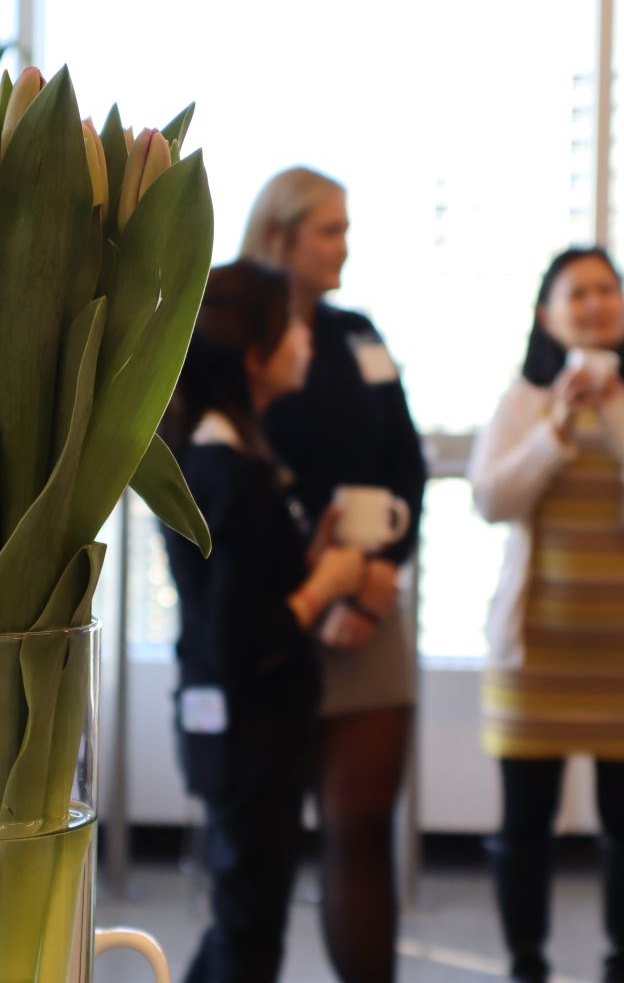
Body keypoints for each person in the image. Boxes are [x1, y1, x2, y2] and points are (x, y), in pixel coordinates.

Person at [468, 246, 624, 983]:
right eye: (578, 293)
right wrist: (557, 426)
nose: (595, 305)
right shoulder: (522, 401)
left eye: (607, 290)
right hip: (533, 654)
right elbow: (491, 499)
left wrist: (617, 407)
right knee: (523, 825)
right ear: (547, 314)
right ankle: (526, 964)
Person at [242, 167, 428, 983]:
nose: (344, 246)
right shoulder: (234, 338)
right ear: (281, 236)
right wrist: (317, 588)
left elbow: (408, 465)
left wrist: (377, 577)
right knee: (262, 842)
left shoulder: (360, 336)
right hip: (277, 609)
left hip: (371, 607)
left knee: (360, 832)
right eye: (331, 230)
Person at [161, 259, 368, 983]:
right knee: (249, 927)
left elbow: (239, 587)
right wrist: (325, 586)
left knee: (242, 915)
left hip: (235, 727)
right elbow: (239, 638)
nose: (310, 341)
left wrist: (305, 561)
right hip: (248, 730)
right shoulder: (231, 470)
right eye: (295, 328)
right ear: (254, 354)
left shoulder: (220, 453)